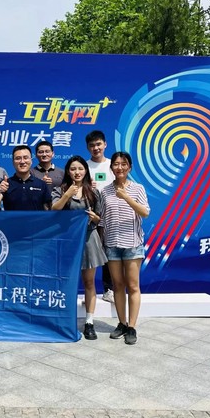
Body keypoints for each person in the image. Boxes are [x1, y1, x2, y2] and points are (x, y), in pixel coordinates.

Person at [51, 156, 107, 340]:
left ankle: (89, 322)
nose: (77, 172)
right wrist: (67, 194)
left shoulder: (93, 192)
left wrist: (94, 218)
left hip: (89, 240)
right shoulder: (60, 190)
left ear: (85, 171)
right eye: (73, 169)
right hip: (68, 241)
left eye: (80, 169)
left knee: (89, 282)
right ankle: (64, 319)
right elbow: (54, 209)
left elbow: (100, 219)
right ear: (68, 171)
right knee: (66, 281)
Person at [100, 152, 150, 345]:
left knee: (133, 286)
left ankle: (132, 327)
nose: (119, 167)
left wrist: (126, 197)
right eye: (116, 164)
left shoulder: (138, 188)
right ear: (111, 167)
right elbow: (103, 219)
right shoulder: (105, 191)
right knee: (118, 286)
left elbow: (145, 212)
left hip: (132, 245)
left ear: (129, 167)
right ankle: (122, 323)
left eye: (123, 164)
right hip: (112, 244)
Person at [86, 130, 116, 304]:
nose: (96, 148)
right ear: (88, 148)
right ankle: (88, 292)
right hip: (90, 215)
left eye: (98, 144)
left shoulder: (114, 165)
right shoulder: (84, 166)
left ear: (105, 144)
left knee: (109, 252)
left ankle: (108, 289)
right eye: (92, 145)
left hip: (111, 214)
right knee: (89, 254)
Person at [0, 145, 51, 211]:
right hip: (11, 218)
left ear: (31, 161)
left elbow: (47, 209)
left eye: (25, 158)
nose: (22, 161)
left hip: (36, 218)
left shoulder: (41, 184)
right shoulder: (6, 184)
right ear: (13, 162)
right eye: (18, 158)